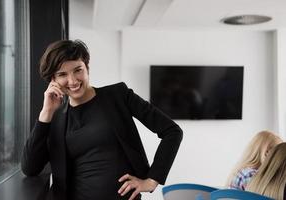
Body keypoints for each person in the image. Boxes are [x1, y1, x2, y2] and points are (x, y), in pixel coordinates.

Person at [21, 39, 183, 200]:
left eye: (78, 70)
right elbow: (30, 168)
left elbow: (172, 131)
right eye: (62, 74)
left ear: (87, 67)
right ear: (53, 80)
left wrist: (152, 180)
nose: (73, 80)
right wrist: (46, 112)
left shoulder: (118, 95)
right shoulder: (55, 117)